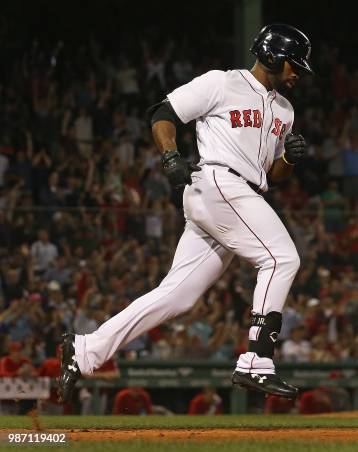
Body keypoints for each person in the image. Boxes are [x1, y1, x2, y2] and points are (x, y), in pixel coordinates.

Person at [58, 24, 313, 402]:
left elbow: (271, 177)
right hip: (218, 184)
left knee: (177, 296)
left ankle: (86, 350)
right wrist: (170, 156)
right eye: (294, 64)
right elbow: (163, 114)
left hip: (240, 194)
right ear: (273, 56)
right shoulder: (222, 83)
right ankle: (257, 359)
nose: (298, 73)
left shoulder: (285, 110)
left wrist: (289, 159)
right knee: (281, 257)